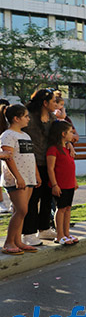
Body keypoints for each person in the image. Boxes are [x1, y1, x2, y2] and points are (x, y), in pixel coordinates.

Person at [22, 89, 59, 246]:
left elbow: (58, 136)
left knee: (47, 196)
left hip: (48, 162)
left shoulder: (52, 117)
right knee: (32, 199)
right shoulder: (28, 118)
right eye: (53, 101)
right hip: (31, 163)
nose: (56, 104)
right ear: (45, 103)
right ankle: (28, 233)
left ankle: (44, 228)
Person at [0, 104, 36, 255]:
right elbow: (8, 158)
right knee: (21, 210)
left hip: (28, 178)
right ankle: (8, 243)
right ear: (16, 118)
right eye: (26, 116)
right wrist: (18, 177)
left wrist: (36, 175)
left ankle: (18, 241)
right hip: (16, 180)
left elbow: (30, 157)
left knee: (20, 211)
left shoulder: (25, 135)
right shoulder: (7, 135)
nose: (28, 119)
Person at [46, 120, 78, 245]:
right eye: (70, 132)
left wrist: (74, 181)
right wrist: (54, 185)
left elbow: (71, 167)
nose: (72, 134)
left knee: (68, 208)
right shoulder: (53, 149)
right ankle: (59, 235)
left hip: (69, 184)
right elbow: (50, 168)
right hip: (60, 185)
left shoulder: (68, 149)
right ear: (63, 134)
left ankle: (67, 233)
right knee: (61, 209)